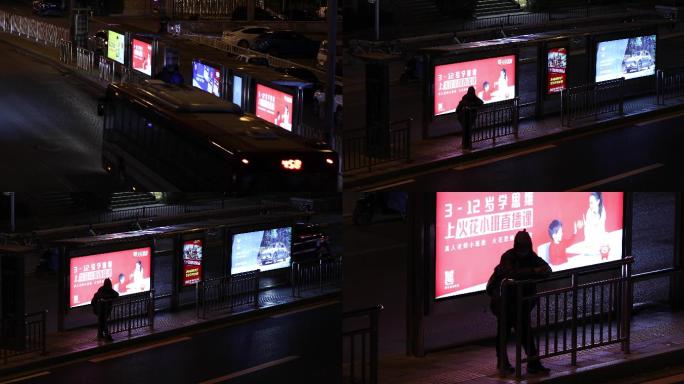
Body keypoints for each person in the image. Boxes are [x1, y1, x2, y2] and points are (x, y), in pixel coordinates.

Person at [487, 230, 552, 375]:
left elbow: (547, 270)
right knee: (505, 332)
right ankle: (504, 362)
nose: (524, 250)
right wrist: (533, 271)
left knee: (525, 332)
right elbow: (510, 274)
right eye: (522, 246)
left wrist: (531, 271)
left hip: (520, 303)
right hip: (504, 302)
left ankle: (532, 363)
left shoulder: (531, 256)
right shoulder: (508, 256)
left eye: (526, 246)